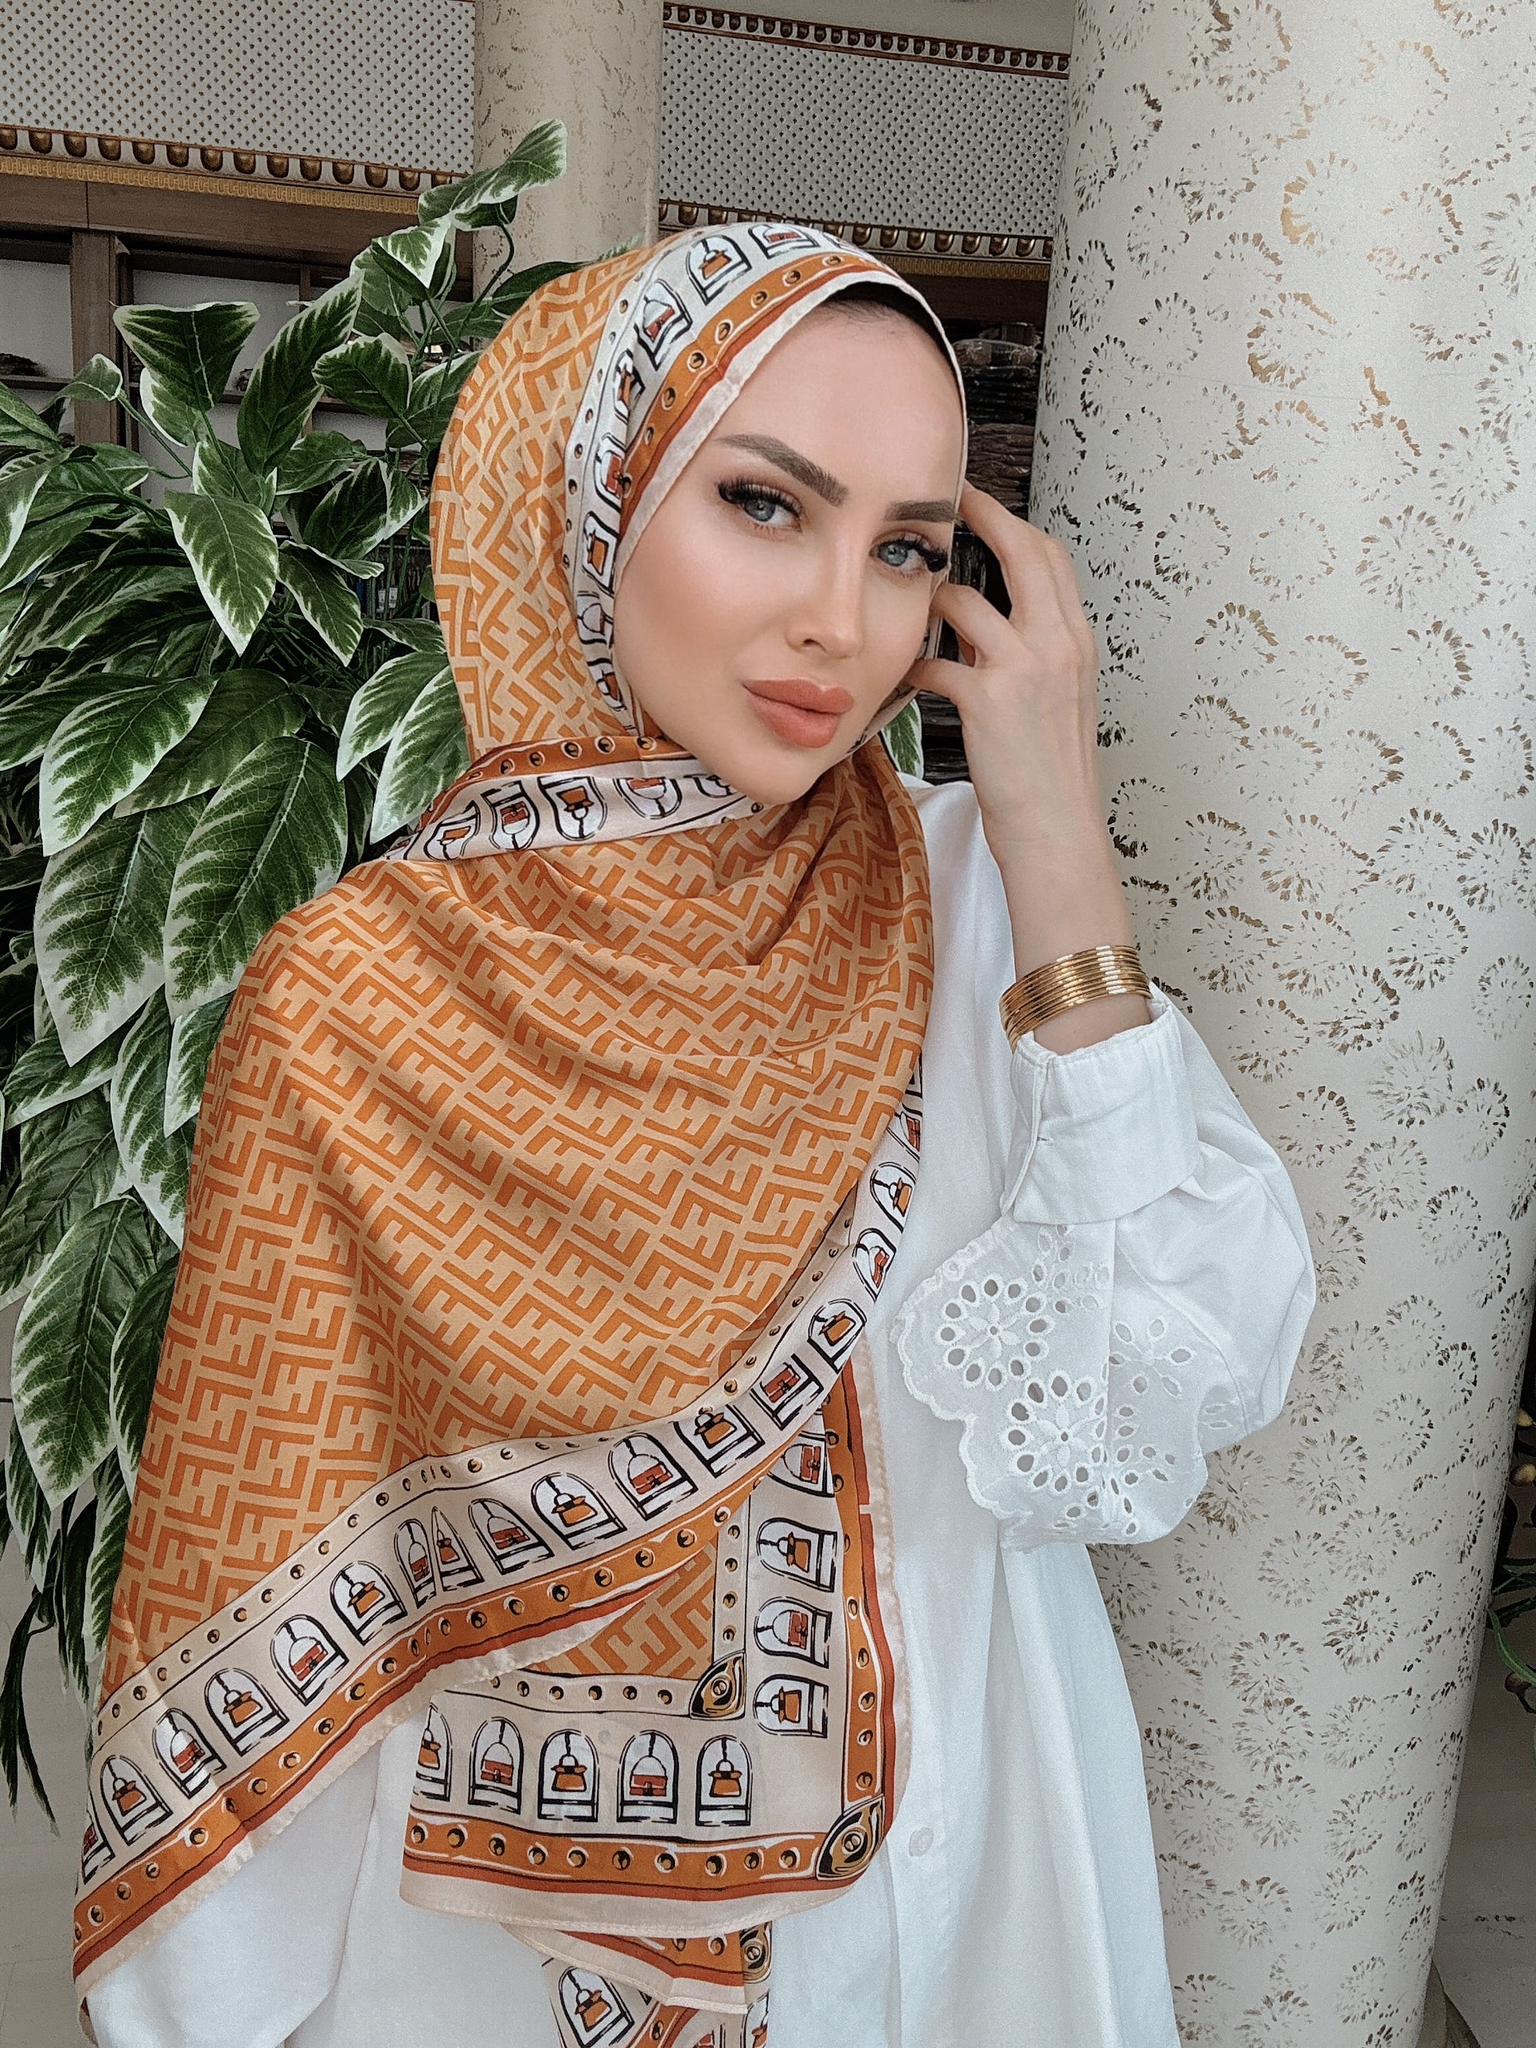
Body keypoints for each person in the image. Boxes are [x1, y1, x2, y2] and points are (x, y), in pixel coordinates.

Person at [73, 220, 1317, 2048]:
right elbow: (269, 1569)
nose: (843, 620)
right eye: (763, 504)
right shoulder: (357, 996)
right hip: (492, 1934)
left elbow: (1157, 1414)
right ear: (578, 502)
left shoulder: (976, 911)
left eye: (907, 548)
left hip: (962, 1871)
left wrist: (1055, 827)